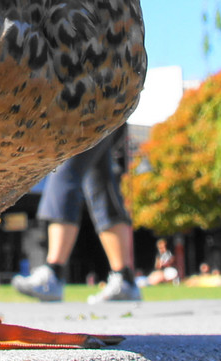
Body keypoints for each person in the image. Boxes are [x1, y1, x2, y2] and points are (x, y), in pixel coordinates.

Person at [11, 129, 142, 303]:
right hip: (109, 115)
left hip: (91, 115)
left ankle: (53, 273)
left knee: (66, 170)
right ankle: (124, 279)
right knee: (100, 180)